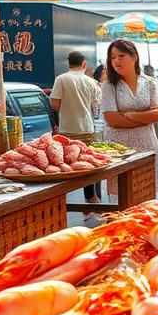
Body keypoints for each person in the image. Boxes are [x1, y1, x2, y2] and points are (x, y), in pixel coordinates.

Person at [100, 39, 158, 197]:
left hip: (147, 145)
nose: (116, 61)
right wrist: (145, 116)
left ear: (134, 57)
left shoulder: (150, 83)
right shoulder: (108, 85)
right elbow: (112, 120)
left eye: (121, 56)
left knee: (147, 195)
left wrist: (128, 114)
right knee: (121, 196)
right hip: (119, 149)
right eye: (112, 57)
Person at [51, 50, 102, 205]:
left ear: (69, 63)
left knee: (64, 165)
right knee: (87, 165)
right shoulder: (91, 82)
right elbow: (97, 107)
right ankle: (91, 198)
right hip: (87, 129)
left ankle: (60, 201)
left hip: (67, 131)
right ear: (84, 64)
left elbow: (55, 104)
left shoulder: (61, 79)